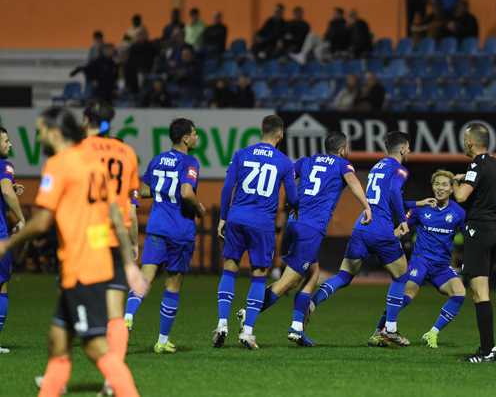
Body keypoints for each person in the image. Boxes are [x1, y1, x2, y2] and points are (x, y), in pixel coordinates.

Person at [0, 106, 146, 396]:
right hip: (94, 261)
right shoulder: (93, 162)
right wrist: (129, 263)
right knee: (57, 342)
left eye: (41, 130)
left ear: (55, 132)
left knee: (94, 347)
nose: (39, 136)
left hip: (82, 267)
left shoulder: (60, 164)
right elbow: (116, 213)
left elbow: (42, 220)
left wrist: (7, 243)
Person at [239, 132, 371, 347]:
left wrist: (288, 203)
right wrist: (366, 206)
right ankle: (250, 313)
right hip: (311, 229)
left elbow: (286, 177)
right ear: (343, 149)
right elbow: (353, 182)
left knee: (313, 272)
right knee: (287, 282)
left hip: (293, 224)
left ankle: (297, 328)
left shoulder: (306, 161)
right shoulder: (342, 165)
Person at [309, 132, 431, 346]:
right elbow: (393, 193)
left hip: (362, 226)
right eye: (409, 147)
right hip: (381, 229)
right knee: (402, 276)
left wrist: (417, 204)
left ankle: (311, 303)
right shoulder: (400, 169)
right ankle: (390, 330)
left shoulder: (378, 166)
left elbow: (387, 197)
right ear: (403, 149)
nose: (409, 151)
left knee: (344, 275)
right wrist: (402, 219)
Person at [213, 115, 298, 350]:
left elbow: (227, 188)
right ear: (280, 134)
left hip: (237, 217)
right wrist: (295, 206)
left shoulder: (241, 154)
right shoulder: (284, 162)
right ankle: (247, 331)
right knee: (259, 274)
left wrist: (223, 217)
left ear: (262, 131)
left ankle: (221, 325)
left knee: (229, 269)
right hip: (262, 223)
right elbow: (292, 197)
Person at [124, 118, 206, 354]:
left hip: (157, 227)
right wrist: (199, 208)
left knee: (145, 277)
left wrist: (136, 198)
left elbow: (145, 189)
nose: (196, 137)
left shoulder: (158, 159)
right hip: (180, 230)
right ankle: (161, 340)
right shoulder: (190, 162)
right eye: (194, 133)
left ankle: (128, 315)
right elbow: (186, 192)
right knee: (173, 284)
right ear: (185, 138)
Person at [78, 101, 140, 396]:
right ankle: (111, 378)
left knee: (73, 312)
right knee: (116, 313)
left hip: (89, 238)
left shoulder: (79, 151)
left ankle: (56, 377)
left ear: (85, 118)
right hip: (117, 238)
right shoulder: (127, 153)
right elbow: (127, 202)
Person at [368, 170, 466, 349]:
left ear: (452, 189)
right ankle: (379, 331)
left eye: (444, 184)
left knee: (459, 293)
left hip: (441, 266)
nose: (440, 188)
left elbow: (468, 238)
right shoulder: (420, 208)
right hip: (420, 261)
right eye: (437, 184)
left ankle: (432, 333)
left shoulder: (458, 213)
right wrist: (384, 241)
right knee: (407, 294)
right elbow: (402, 228)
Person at [452, 123, 496, 363]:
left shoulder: (476, 165)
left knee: (479, 292)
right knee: (482, 290)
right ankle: (488, 348)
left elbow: (460, 196)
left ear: (469, 142)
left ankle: (488, 350)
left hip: (479, 230)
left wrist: (455, 181)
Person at [0, 127, 26, 354]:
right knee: (2, 286)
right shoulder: (4, 167)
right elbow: (7, 192)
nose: (9, 145)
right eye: (6, 141)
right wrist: (22, 218)